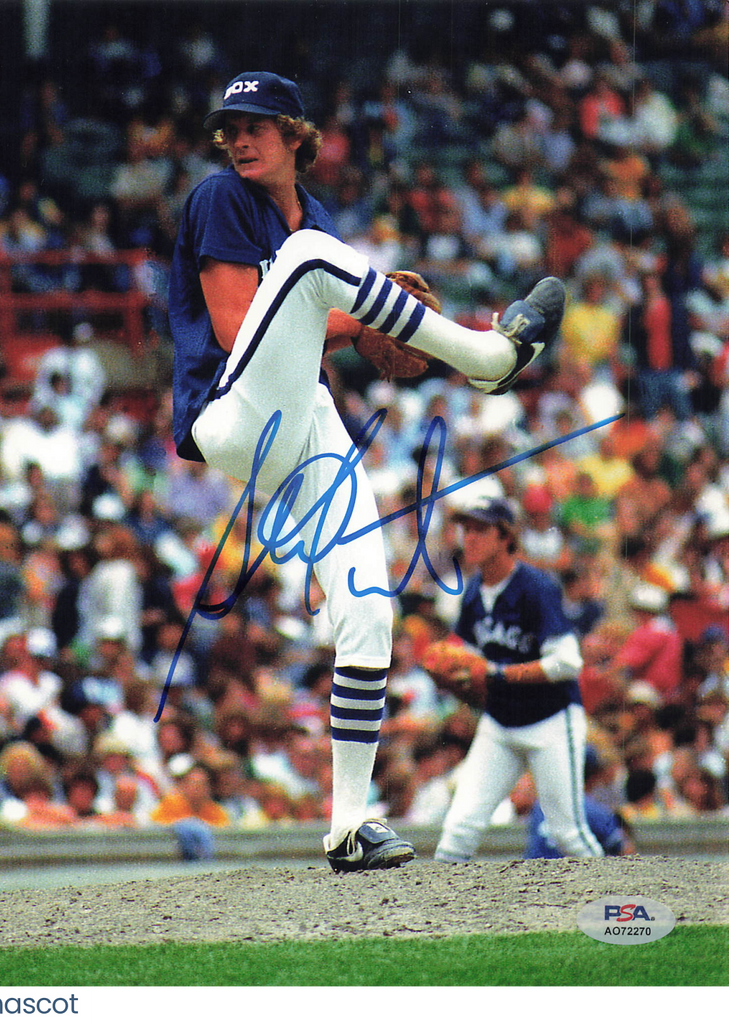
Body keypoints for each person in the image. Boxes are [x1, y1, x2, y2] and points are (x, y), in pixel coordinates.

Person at [167, 71, 565, 873]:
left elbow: (301, 330)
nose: (238, 139)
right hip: (231, 410)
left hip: (302, 418)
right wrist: (364, 319)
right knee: (312, 258)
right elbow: (238, 328)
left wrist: (362, 324)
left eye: (255, 125)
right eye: (229, 128)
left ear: (295, 134)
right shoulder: (221, 198)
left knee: (368, 609)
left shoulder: (311, 216)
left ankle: (348, 825)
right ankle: (487, 357)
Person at [424, 496, 604, 862]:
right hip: (501, 724)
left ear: (506, 536)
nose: (470, 537)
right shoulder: (474, 591)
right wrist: (451, 678)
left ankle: (618, 897)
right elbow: (470, 663)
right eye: (466, 529)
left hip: (551, 721)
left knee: (568, 835)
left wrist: (497, 673)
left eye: (481, 529)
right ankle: (438, 904)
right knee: (457, 832)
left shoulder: (535, 587)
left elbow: (568, 662)